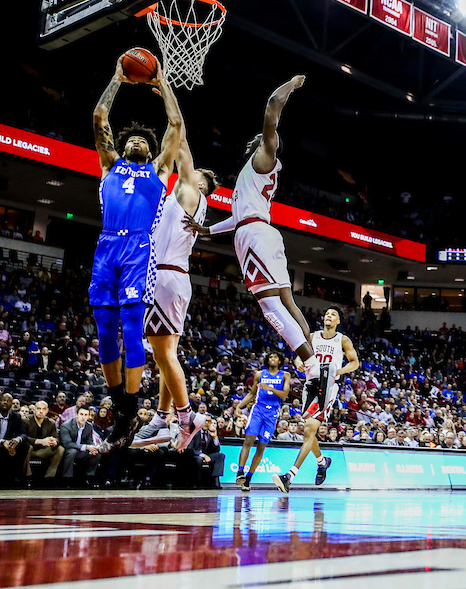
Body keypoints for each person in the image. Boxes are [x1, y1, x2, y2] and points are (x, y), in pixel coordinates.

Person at [185, 76, 317, 372]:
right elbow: (237, 218)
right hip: (262, 230)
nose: (266, 137)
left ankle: (310, 364)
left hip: (254, 234)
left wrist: (291, 85)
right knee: (287, 301)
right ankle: (312, 359)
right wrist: (207, 230)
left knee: (270, 305)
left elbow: (272, 107)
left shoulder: (263, 158)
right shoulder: (252, 174)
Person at [89, 59, 184, 446]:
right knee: (104, 330)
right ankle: (122, 410)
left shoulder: (158, 170)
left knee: (131, 327)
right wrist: (116, 79)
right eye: (133, 139)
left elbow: (175, 125)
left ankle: (129, 410)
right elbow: (99, 116)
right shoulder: (109, 164)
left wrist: (164, 85)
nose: (138, 141)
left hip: (138, 248)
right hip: (106, 245)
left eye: (144, 140)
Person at [144, 113, 217, 452]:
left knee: (164, 355)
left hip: (165, 275)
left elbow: (181, 143)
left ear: (200, 185)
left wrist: (168, 97)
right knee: (166, 355)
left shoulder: (191, 193)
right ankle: (162, 417)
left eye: (194, 174)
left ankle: (185, 418)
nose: (188, 173)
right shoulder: (179, 201)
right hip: (174, 276)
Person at [274, 308, 360, 492]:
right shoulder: (313, 337)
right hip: (310, 384)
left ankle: (289, 476)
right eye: (327, 313)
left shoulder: (342, 339)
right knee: (308, 430)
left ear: (338, 321)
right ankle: (322, 462)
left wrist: (338, 371)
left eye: (333, 314)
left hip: (328, 386)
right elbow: (299, 358)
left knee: (308, 429)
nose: (329, 315)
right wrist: (299, 364)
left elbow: (355, 363)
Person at [237, 352, 290, 492]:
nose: (272, 359)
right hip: (258, 410)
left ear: (280, 361)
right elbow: (251, 393)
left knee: (261, 447)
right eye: (270, 357)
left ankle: (248, 478)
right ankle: (240, 472)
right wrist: (239, 406)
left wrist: (270, 388)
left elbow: (284, 395)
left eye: (275, 357)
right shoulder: (259, 374)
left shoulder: (285, 375)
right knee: (248, 441)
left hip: (272, 413)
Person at [59, 406, 104, 487]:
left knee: (96, 454)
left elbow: (89, 441)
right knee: (72, 452)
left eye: (85, 415)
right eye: (81, 414)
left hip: (81, 451)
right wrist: (86, 447)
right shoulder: (66, 426)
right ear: (77, 415)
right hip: (68, 450)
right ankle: (67, 479)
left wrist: (92, 449)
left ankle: (89, 478)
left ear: (88, 416)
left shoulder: (89, 426)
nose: (83, 417)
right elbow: (67, 444)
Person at [23, 399, 64, 485]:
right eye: (39, 408)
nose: (41, 411)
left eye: (44, 409)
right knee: (27, 447)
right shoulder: (25, 421)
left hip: (44, 450)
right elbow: (22, 437)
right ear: (34, 409)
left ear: (47, 410)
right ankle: (28, 478)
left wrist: (54, 441)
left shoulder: (51, 422)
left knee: (60, 449)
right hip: (30, 449)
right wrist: (39, 441)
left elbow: (56, 437)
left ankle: (49, 477)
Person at [189, 418, 226, 488]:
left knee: (220, 456)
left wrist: (215, 438)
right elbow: (190, 448)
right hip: (195, 454)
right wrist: (203, 456)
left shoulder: (209, 434)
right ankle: (197, 482)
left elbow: (216, 450)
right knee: (199, 460)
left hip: (206, 455)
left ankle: (215, 481)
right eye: (205, 421)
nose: (206, 423)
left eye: (209, 421)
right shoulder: (194, 432)